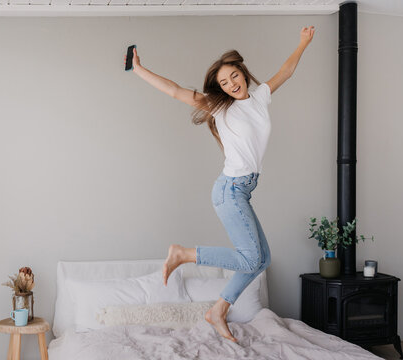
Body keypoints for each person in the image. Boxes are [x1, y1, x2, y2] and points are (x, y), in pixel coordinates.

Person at [125, 26, 315, 343]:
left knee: (261, 260)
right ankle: (184, 254)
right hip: (230, 190)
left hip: (243, 190)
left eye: (233, 78)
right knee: (252, 258)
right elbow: (175, 91)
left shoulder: (260, 97)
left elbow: (285, 71)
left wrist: (303, 43)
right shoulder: (219, 106)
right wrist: (140, 69)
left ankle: (217, 311)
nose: (231, 85)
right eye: (224, 83)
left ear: (243, 72)